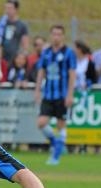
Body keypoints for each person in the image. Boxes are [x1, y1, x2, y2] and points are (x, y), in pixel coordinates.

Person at [34, 25, 76, 166]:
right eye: (54, 34)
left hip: (62, 95)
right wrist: (37, 90)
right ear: (51, 35)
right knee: (41, 123)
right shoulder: (46, 52)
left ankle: (56, 156)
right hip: (48, 94)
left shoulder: (69, 53)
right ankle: (57, 145)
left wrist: (70, 94)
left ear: (63, 36)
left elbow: (72, 74)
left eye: (59, 34)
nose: (56, 37)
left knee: (60, 125)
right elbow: (41, 72)